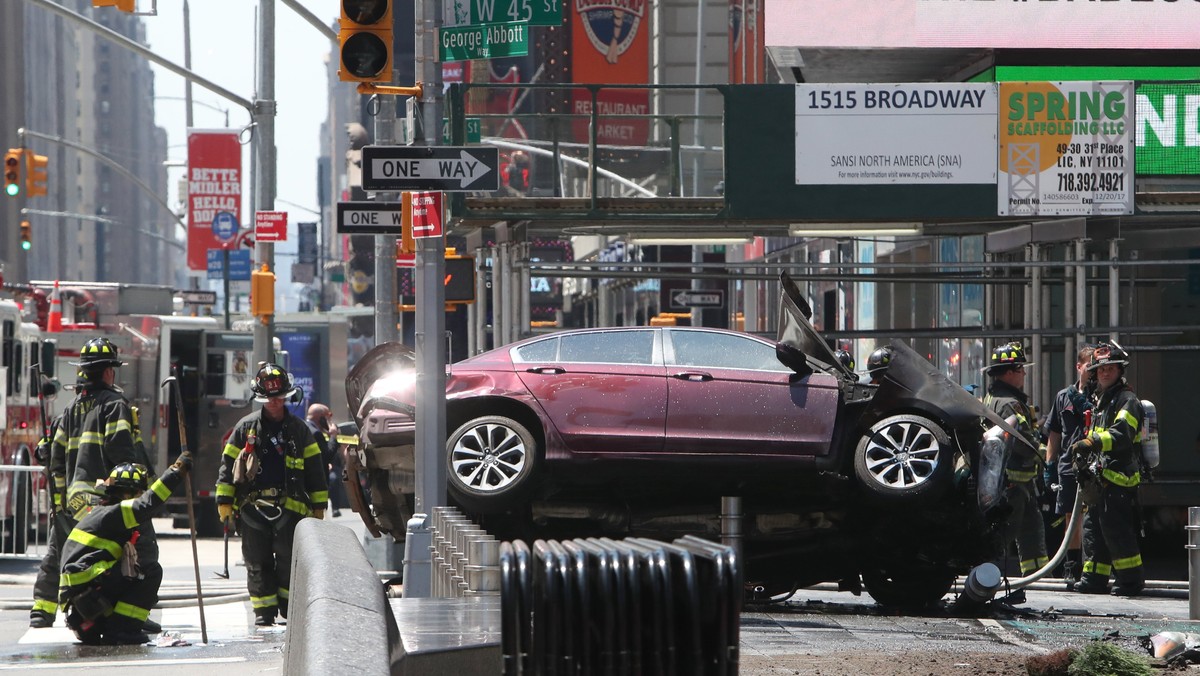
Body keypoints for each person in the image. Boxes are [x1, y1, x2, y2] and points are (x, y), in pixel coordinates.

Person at [38, 338, 159, 633]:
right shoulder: (114, 404)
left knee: (62, 551)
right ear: (108, 372)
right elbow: (123, 455)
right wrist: (134, 493)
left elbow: (54, 460)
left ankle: (41, 612)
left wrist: (60, 502)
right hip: (105, 500)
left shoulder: (69, 410)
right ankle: (132, 615)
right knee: (142, 551)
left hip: (73, 500)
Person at [216, 363, 329, 626]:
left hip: (290, 510)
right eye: (269, 398)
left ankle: (289, 610)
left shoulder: (300, 431)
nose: (275, 402)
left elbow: (315, 469)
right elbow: (227, 466)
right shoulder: (245, 428)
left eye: (279, 397)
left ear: (286, 396)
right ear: (261, 398)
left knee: (290, 562)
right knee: (257, 563)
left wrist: (318, 506)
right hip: (252, 509)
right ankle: (263, 613)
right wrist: (224, 501)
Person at [59, 455, 191, 645]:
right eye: (138, 492)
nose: (140, 495)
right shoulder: (115, 513)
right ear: (126, 493)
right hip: (88, 588)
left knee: (133, 567)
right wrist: (175, 473)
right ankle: (123, 629)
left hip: (82, 593)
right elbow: (146, 504)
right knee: (150, 571)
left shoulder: (103, 511)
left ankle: (99, 622)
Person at [1071, 341, 1146, 596]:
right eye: (1100, 369)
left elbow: (1122, 434)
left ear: (1119, 370)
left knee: (1117, 532)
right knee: (1094, 530)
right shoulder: (1101, 400)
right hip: (1099, 477)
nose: (1105, 372)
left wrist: (1092, 442)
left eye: (1110, 368)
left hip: (1119, 478)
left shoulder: (1127, 400)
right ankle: (1094, 579)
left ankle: (1130, 581)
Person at [983, 341, 1048, 577]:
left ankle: (1038, 577)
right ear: (1009, 373)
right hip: (1013, 481)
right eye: (1021, 369)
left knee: (1031, 530)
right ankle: (983, 573)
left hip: (1015, 481)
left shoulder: (992, 397)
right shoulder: (1010, 404)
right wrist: (1042, 451)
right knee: (1006, 533)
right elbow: (1022, 442)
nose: (1024, 373)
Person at [1041, 344, 1095, 589]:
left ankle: (1093, 566)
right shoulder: (1064, 396)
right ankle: (1071, 566)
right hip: (1068, 466)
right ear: (1079, 367)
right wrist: (1049, 464)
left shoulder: (1101, 397)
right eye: (1089, 367)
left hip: (1095, 465)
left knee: (1095, 516)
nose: (1092, 372)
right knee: (1070, 517)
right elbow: (1054, 432)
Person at [305, 403, 345, 517]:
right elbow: (327, 455)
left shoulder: (304, 427)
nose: (330, 422)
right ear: (321, 417)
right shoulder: (316, 433)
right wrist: (333, 436)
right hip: (314, 488)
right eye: (328, 418)